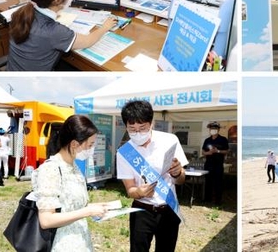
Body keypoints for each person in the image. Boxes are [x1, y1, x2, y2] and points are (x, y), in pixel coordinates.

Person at [7, 0, 117, 71]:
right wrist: (105, 27)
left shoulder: (22, 12)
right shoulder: (54, 31)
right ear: (58, 0)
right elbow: (88, 41)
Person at [116, 100, 187, 252]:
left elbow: (181, 180)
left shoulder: (170, 140)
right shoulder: (124, 152)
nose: (138, 133)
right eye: (132, 129)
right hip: (142, 211)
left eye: (142, 128)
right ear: (126, 126)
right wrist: (139, 192)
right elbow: (130, 190)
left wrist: (178, 172)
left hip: (168, 209)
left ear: (151, 123)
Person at [32, 115, 109, 251]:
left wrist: (93, 207)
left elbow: (71, 206)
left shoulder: (74, 166)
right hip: (61, 244)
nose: (92, 150)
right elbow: (46, 220)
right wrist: (87, 211)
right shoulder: (51, 169)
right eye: (90, 145)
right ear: (74, 144)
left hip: (80, 241)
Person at [202, 121, 229, 204]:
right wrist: (208, 153)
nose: (213, 130)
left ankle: (218, 200)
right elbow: (203, 151)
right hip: (208, 164)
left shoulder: (223, 139)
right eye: (211, 128)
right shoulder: (207, 140)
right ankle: (207, 199)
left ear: (218, 129)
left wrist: (218, 151)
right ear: (209, 129)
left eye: (215, 128)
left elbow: (227, 151)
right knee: (208, 182)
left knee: (218, 182)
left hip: (218, 164)